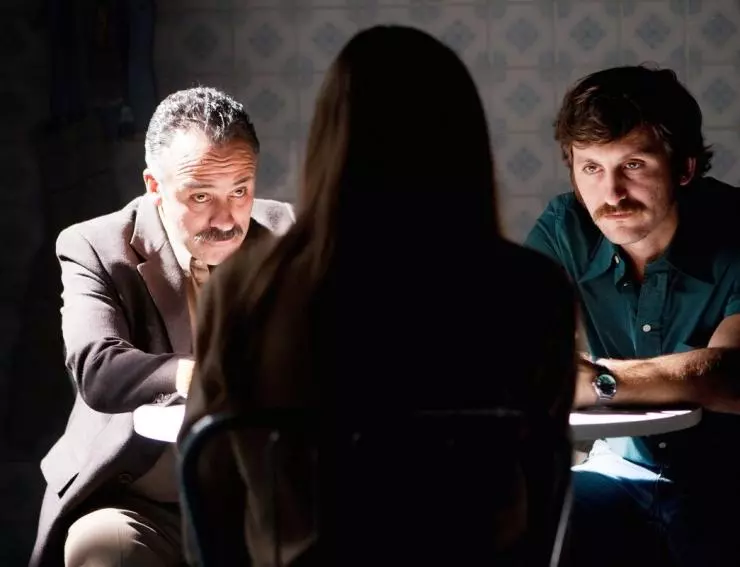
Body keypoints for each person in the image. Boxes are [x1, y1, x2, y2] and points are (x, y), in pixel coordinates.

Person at [179, 25, 577, 566]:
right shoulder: (531, 290)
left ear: (328, 138)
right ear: (463, 141)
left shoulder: (245, 288)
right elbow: (545, 485)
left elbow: (207, 487)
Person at [30, 86, 295, 567]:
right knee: (100, 554)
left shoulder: (283, 230)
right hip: (139, 500)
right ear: (154, 186)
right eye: (201, 196)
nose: (226, 218)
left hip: (259, 499)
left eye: (240, 190)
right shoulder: (95, 245)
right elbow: (97, 367)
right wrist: (197, 374)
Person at [525, 64, 740, 567]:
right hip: (618, 470)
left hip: (725, 480)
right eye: (591, 168)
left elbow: (730, 376)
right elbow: (516, 343)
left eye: (634, 165)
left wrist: (601, 381)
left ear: (684, 168)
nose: (612, 194)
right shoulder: (565, 228)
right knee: (529, 525)